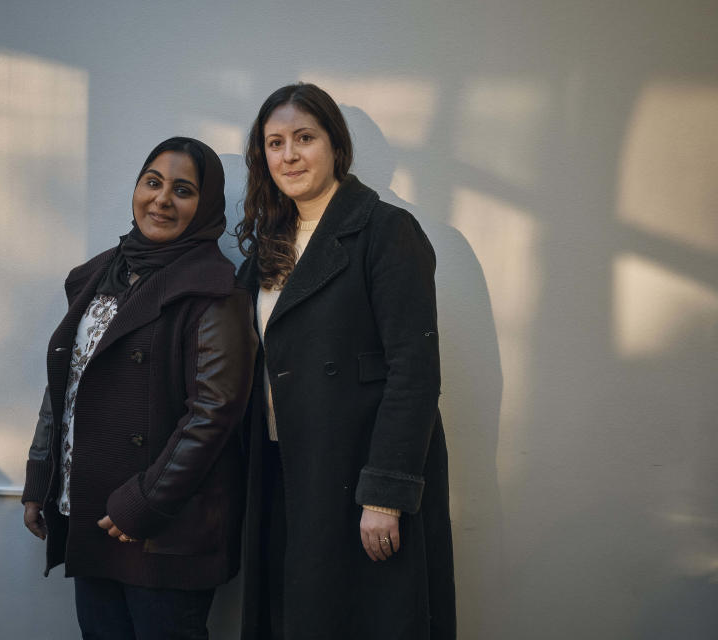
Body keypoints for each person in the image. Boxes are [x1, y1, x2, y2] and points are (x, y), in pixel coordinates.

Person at [235, 83, 456, 639]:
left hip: (357, 474)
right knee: (296, 617)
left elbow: (414, 372)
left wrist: (385, 492)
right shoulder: (269, 244)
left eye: (304, 138)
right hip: (283, 467)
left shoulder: (385, 230)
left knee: (363, 620)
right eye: (275, 142)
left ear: (335, 145)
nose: (289, 155)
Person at [22, 137, 257, 640]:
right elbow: (67, 381)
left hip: (161, 527)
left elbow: (214, 413)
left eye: (183, 190)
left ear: (207, 205)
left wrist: (143, 503)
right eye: (152, 182)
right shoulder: (102, 273)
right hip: (93, 510)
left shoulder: (215, 289)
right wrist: (41, 476)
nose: (162, 199)